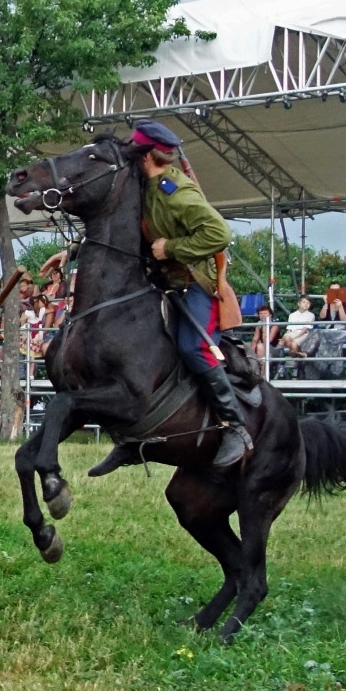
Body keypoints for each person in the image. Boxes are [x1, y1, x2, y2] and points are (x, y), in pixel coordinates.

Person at [133, 119, 252, 468]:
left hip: (199, 283)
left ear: (146, 156)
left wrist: (170, 247)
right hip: (167, 282)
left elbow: (220, 233)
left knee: (192, 347)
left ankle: (236, 427)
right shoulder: (148, 188)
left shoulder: (177, 193)